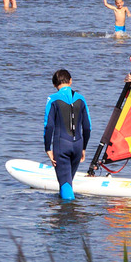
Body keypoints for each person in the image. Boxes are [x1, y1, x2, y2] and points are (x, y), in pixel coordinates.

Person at [42, 69, 91, 202]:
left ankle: (68, 216)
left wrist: (48, 149)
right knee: (67, 181)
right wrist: (83, 148)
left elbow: (49, 126)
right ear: (70, 81)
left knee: (65, 184)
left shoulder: (52, 99)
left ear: (54, 84)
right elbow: (87, 127)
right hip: (78, 144)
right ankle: (65, 210)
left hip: (61, 145)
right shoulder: (81, 99)